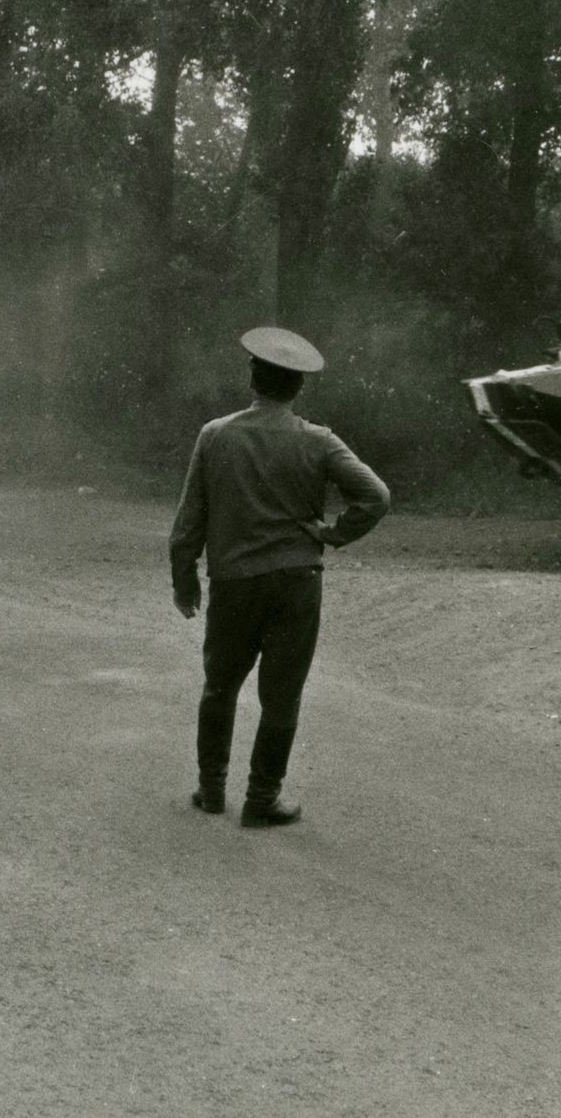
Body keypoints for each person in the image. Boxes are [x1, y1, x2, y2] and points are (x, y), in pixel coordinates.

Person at [168, 327, 390, 828]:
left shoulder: (216, 435)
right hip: (296, 582)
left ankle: (211, 790)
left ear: (253, 378)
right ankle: (261, 799)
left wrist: (185, 579)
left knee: (219, 686)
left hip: (234, 583)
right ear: (299, 388)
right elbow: (377, 496)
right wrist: (334, 535)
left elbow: (188, 521)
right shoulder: (319, 441)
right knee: (282, 695)